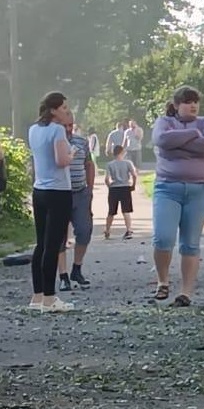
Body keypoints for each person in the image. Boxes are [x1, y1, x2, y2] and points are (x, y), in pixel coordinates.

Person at [151, 86, 204, 307]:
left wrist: (177, 146)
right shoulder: (164, 122)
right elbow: (161, 141)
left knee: (190, 243)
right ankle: (163, 281)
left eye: (196, 102)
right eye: (188, 102)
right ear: (177, 104)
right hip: (167, 188)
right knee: (163, 238)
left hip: (199, 189)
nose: (193, 106)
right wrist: (192, 136)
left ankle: (186, 293)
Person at [27, 91, 76, 313]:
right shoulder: (57, 130)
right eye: (64, 108)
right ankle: (49, 298)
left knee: (40, 243)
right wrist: (72, 153)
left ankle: (37, 295)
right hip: (58, 191)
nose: (67, 111)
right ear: (54, 110)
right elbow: (61, 160)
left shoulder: (34, 130)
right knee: (53, 244)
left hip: (39, 190)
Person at [56, 117, 96, 291]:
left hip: (80, 192)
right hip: (59, 193)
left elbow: (89, 164)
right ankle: (63, 275)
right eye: (64, 126)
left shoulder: (81, 141)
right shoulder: (54, 141)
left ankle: (77, 268)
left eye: (70, 125)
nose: (68, 129)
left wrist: (90, 188)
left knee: (85, 230)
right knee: (59, 236)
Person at [104, 145, 137, 240]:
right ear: (122, 152)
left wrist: (109, 186)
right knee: (126, 210)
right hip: (125, 187)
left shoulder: (110, 164)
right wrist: (133, 185)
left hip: (114, 188)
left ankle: (107, 230)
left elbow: (106, 179)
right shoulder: (127, 163)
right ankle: (129, 230)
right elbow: (134, 175)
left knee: (111, 211)